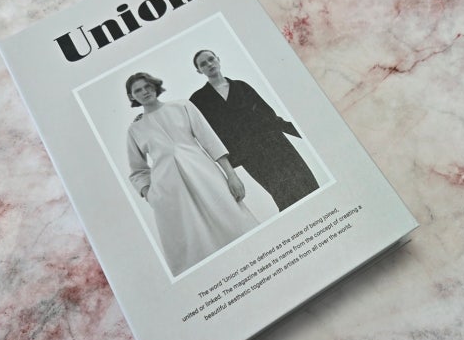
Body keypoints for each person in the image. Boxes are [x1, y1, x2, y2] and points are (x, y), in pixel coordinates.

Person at [125, 72, 257, 276]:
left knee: (233, 219)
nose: (144, 92)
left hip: (204, 174)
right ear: (132, 96)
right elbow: (137, 170)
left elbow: (209, 140)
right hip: (169, 192)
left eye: (147, 86)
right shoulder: (135, 129)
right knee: (193, 240)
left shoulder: (183, 106)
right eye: (138, 90)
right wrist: (150, 195)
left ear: (155, 86)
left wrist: (231, 175)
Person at [189, 49, 319, 212]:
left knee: (308, 184)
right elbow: (208, 137)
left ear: (218, 59)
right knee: (283, 196)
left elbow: (270, 116)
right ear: (199, 71)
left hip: (278, 144)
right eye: (203, 64)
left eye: (211, 59)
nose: (209, 64)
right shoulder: (198, 100)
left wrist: (306, 133)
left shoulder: (241, 86)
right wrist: (228, 169)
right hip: (250, 157)